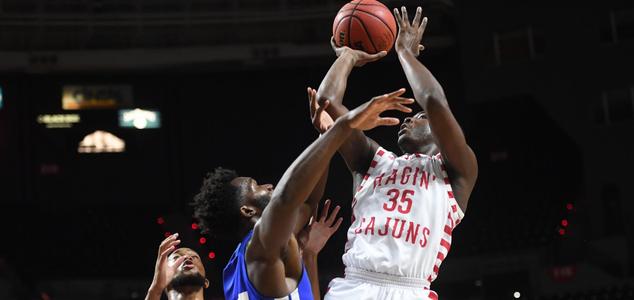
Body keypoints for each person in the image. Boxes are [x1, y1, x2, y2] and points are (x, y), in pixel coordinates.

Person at [314, 6, 478, 300]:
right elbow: (326, 102)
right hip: (355, 285)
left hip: (410, 290)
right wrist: (349, 55)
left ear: (441, 135)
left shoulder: (456, 171)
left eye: (420, 118)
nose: (408, 118)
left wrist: (404, 52)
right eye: (410, 116)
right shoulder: (372, 161)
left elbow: (433, 101)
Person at [190, 89, 414, 300]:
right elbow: (287, 199)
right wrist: (342, 127)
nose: (268, 185)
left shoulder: (237, 265)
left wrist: (324, 135)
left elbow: (306, 200)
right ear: (247, 210)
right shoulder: (259, 244)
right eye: (256, 186)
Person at [145, 234, 209, 300]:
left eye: (194, 257)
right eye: (176, 257)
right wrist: (156, 289)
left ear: (205, 282)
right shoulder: (157, 286)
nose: (187, 257)